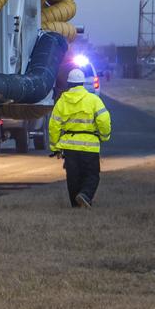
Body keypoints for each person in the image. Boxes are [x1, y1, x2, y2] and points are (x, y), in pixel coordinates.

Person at [48, 68, 111, 208]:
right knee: (92, 175)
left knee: (73, 177)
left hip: (69, 147)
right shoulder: (93, 100)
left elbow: (53, 126)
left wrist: (55, 147)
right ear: (82, 83)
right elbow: (104, 120)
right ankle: (85, 195)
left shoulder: (61, 102)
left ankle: (76, 206)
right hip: (90, 146)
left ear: (69, 84)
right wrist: (104, 136)